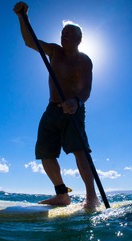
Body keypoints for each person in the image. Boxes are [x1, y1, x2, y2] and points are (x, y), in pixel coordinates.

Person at [13, 2, 99, 209]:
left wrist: (76, 102)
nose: (64, 36)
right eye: (62, 33)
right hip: (52, 109)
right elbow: (30, 42)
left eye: (68, 33)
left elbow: (86, 90)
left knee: (80, 151)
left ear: (79, 39)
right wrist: (23, 17)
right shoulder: (54, 51)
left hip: (74, 111)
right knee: (45, 152)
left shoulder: (84, 61)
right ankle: (62, 195)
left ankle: (91, 197)